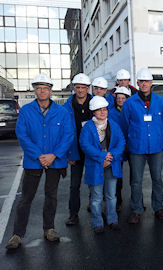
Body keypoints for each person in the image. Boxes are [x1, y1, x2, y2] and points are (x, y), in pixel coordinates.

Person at [6, 74, 74, 249]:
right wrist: (38, 155)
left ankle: (49, 229)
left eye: (45, 88)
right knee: (26, 198)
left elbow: (68, 135)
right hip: (33, 161)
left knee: (51, 196)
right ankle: (17, 234)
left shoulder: (62, 112)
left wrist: (53, 155)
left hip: (55, 161)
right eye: (38, 88)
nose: (42, 91)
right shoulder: (27, 111)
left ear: (51, 91)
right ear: (34, 90)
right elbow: (22, 135)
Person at [121, 68, 163, 223]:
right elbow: (125, 124)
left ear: (151, 83)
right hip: (137, 147)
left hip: (155, 147)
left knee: (157, 179)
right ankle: (136, 210)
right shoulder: (129, 103)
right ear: (137, 83)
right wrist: (129, 142)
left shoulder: (161, 102)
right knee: (136, 180)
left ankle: (159, 208)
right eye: (141, 82)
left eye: (147, 81)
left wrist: (161, 139)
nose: (144, 84)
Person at [80, 96, 125, 233]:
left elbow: (121, 142)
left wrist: (111, 156)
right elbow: (85, 145)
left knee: (111, 195)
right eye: (99, 110)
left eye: (104, 109)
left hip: (111, 165)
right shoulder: (87, 127)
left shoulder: (113, 125)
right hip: (95, 167)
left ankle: (113, 219)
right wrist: (102, 156)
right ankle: (97, 222)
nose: (102, 112)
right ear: (93, 111)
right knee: (96, 197)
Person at [64, 73, 92, 226]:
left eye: (83, 87)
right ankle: (73, 214)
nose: (80, 90)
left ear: (88, 88)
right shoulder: (67, 107)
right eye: (78, 87)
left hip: (92, 151)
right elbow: (64, 132)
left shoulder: (95, 103)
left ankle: (95, 208)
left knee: (95, 182)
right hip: (76, 151)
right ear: (74, 88)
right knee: (74, 185)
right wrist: (68, 153)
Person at [109, 86, 131, 211]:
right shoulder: (111, 113)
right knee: (117, 176)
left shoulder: (131, 110)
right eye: (118, 98)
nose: (120, 100)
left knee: (135, 177)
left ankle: (137, 201)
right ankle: (118, 201)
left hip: (132, 146)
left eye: (123, 98)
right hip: (117, 147)